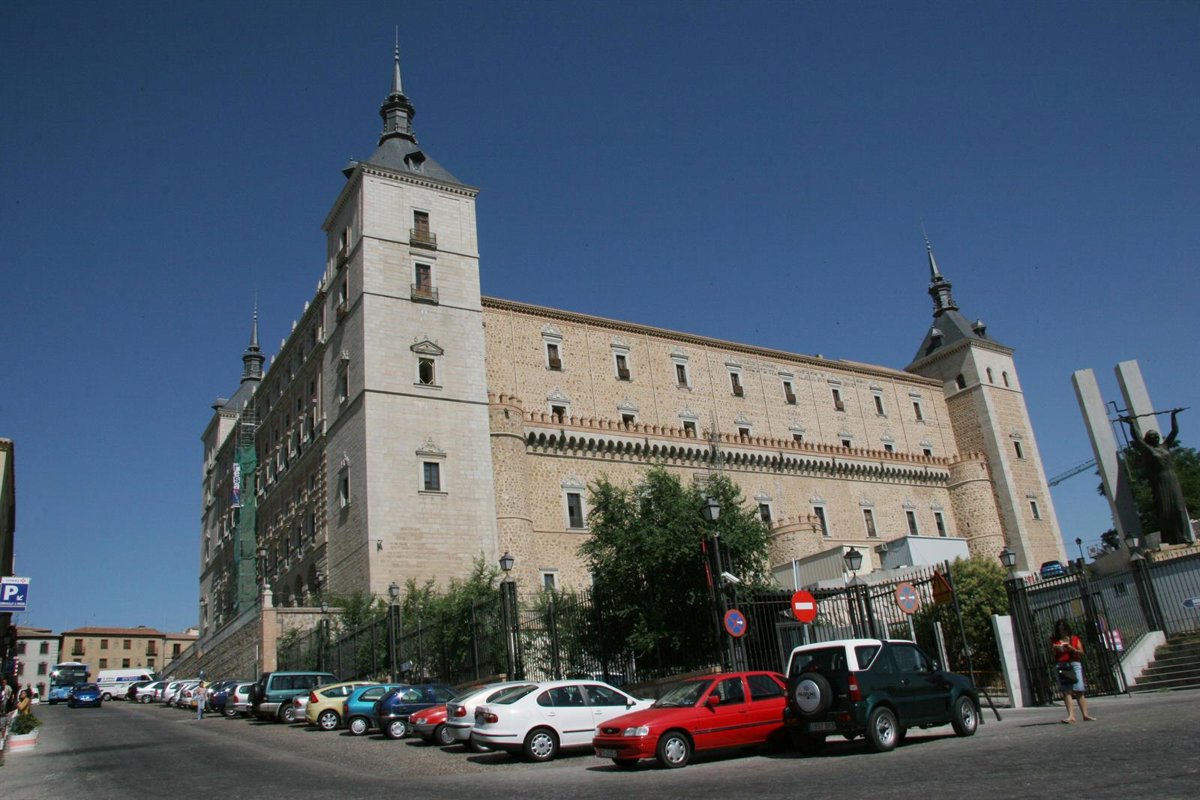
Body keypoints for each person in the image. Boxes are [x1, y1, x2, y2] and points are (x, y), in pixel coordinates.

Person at [1126, 409, 1193, 546]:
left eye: (1156, 435)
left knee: (1179, 508)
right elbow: (1137, 438)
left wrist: (1173, 416)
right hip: (1160, 481)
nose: (1155, 437)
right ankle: (1170, 538)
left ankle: (1183, 536)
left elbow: (1174, 432)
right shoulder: (1148, 450)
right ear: (1148, 439)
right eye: (1152, 436)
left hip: (1171, 478)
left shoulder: (1165, 446)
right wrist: (1131, 424)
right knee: (1165, 509)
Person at [1052, 619, 1095, 723]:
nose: (1062, 632)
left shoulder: (1074, 639)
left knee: (1079, 689)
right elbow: (1052, 654)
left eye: (1063, 629)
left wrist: (1071, 648)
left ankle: (1085, 715)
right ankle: (1071, 716)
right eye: (1059, 630)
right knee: (1066, 690)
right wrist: (1055, 648)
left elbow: (1081, 652)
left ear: (1067, 629)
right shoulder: (1055, 640)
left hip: (1074, 663)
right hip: (1062, 665)